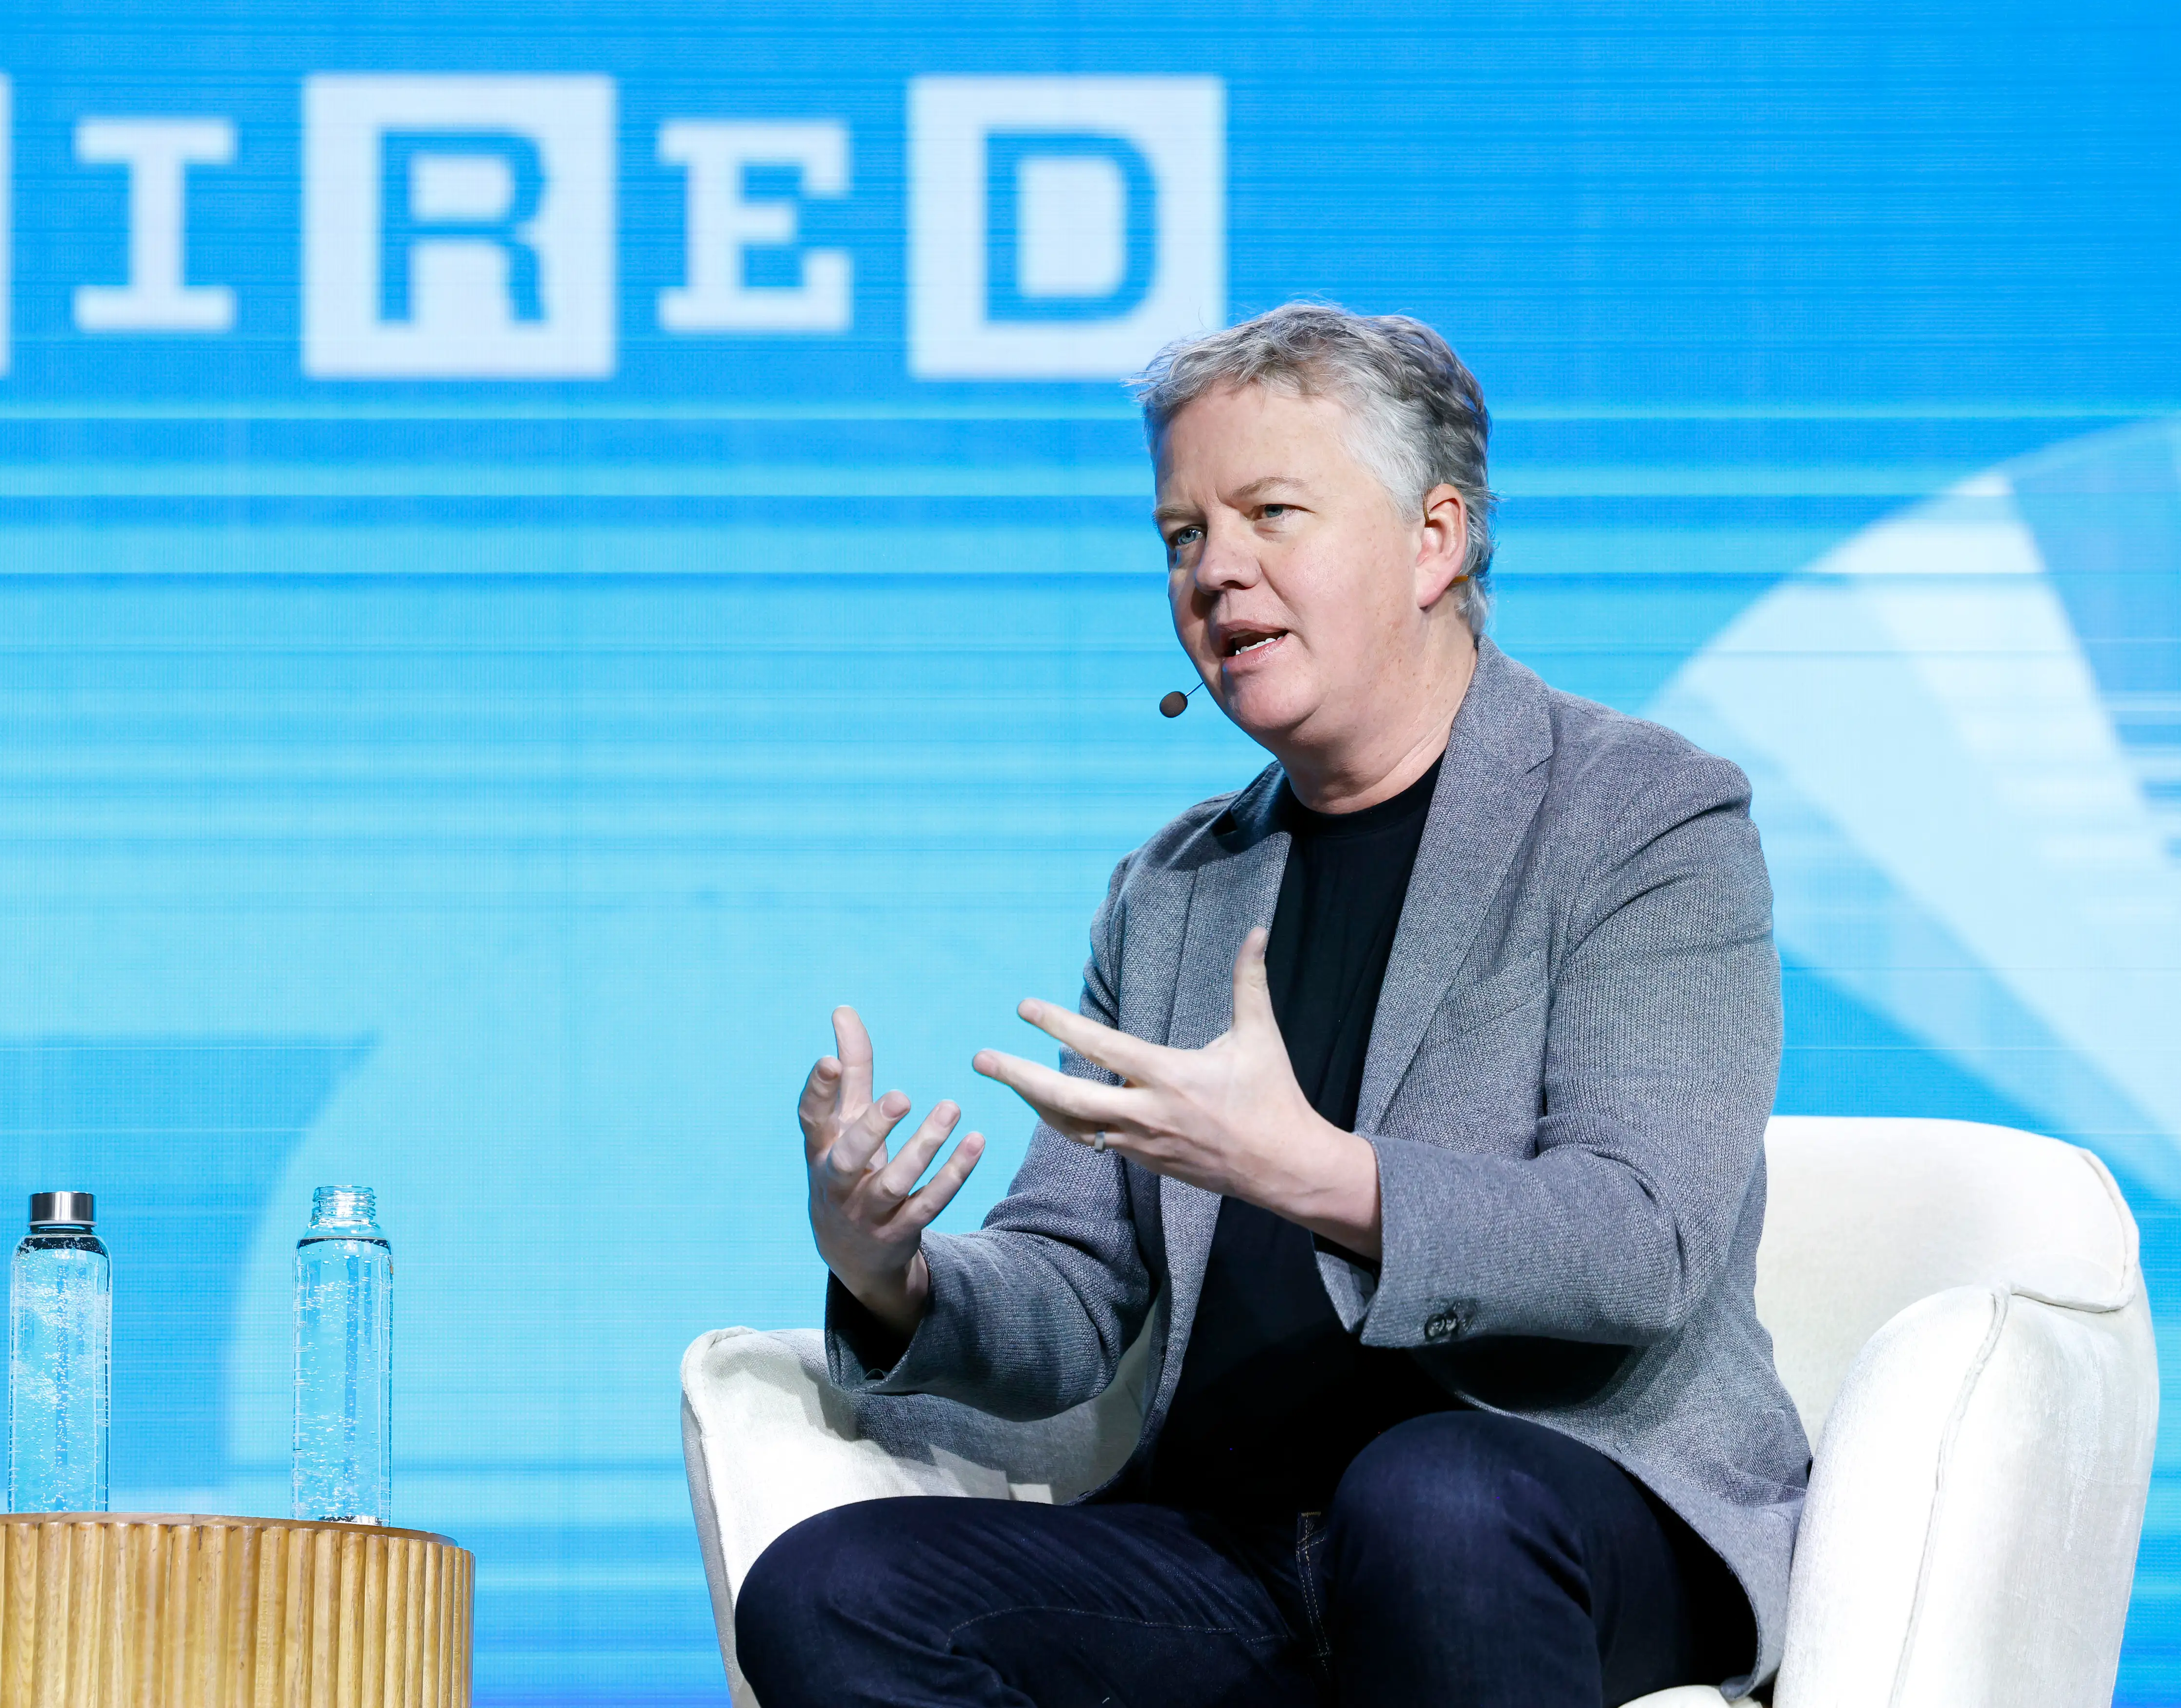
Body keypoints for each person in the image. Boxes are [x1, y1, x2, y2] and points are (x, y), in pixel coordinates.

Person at [736, 302, 1810, 1708]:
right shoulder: (1178, 886)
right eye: (1181, 535)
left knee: (1429, 1496)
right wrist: (893, 1275)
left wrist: (1318, 1177)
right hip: (1232, 1552)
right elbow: (1074, 1289)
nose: (1214, 572)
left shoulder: (1639, 817)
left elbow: (1639, 1242)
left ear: (1436, 539)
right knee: (834, 1593)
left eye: (1268, 514)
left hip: (1553, 1506)